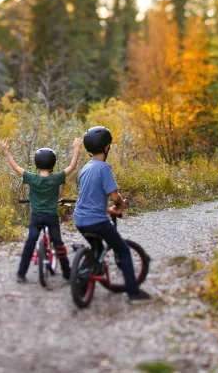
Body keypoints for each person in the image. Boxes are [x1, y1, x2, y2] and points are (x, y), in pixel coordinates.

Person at [74, 126, 151, 303]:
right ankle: (133, 293)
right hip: (97, 221)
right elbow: (114, 196)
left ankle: (81, 284)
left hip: (80, 219)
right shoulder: (103, 168)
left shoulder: (85, 169)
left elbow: (89, 201)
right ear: (106, 147)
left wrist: (108, 210)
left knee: (96, 249)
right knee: (123, 250)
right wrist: (120, 204)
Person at [1, 137, 82, 283]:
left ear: (37, 164)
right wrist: (76, 149)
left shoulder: (32, 178)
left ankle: (21, 273)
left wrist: (7, 152)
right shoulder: (56, 178)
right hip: (51, 217)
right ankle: (67, 274)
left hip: (36, 217)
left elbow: (15, 167)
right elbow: (72, 167)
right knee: (58, 243)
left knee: (30, 242)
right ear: (53, 164)